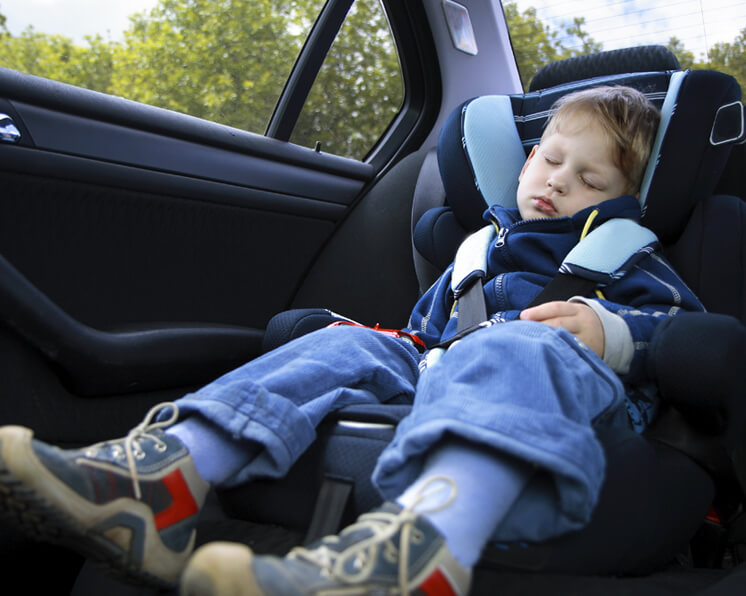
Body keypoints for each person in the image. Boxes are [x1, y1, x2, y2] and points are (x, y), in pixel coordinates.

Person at [0, 86, 702, 596]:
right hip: (453, 368)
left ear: (624, 201)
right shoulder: (476, 254)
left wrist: (613, 333)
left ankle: (425, 547)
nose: (559, 181)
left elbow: (690, 338)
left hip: (577, 398)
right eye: (549, 159)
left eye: (590, 179)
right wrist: (365, 339)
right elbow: (424, 340)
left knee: (515, 343)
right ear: (522, 164)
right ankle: (160, 480)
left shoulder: (630, 258)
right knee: (348, 345)